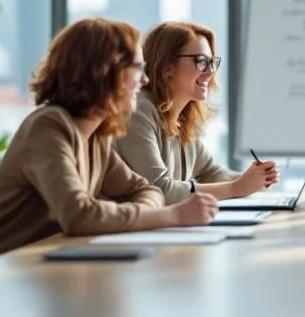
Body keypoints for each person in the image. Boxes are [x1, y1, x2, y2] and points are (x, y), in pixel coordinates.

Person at [0, 18, 220, 265]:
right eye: (137, 69)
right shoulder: (48, 128)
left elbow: (146, 190)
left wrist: (147, 213)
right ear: (104, 72)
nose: (145, 80)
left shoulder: (95, 137)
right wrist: (170, 215)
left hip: (45, 262)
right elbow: (79, 216)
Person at [112, 21, 278, 205]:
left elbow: (209, 172)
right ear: (168, 68)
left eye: (212, 62)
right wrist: (236, 188)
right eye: (201, 61)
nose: (211, 72)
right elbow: (158, 189)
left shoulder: (184, 116)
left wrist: (255, 179)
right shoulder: (139, 111)